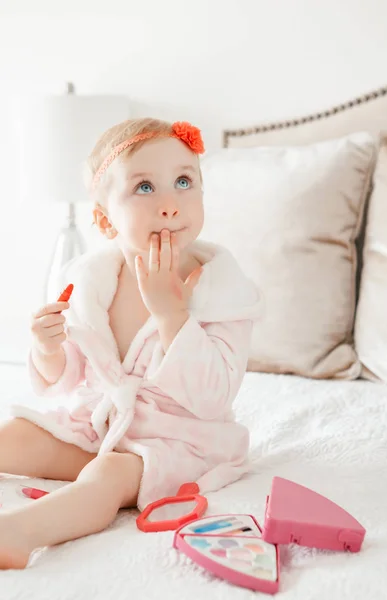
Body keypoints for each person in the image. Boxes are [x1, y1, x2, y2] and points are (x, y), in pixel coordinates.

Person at [0, 118, 264, 569]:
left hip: (183, 443)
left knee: (108, 473)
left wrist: (171, 315)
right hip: (104, 428)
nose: (169, 204)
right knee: (18, 436)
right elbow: (70, 379)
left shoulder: (222, 287)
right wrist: (48, 350)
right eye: (145, 187)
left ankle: (19, 532)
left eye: (184, 181)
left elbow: (212, 395)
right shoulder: (93, 279)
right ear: (104, 220)